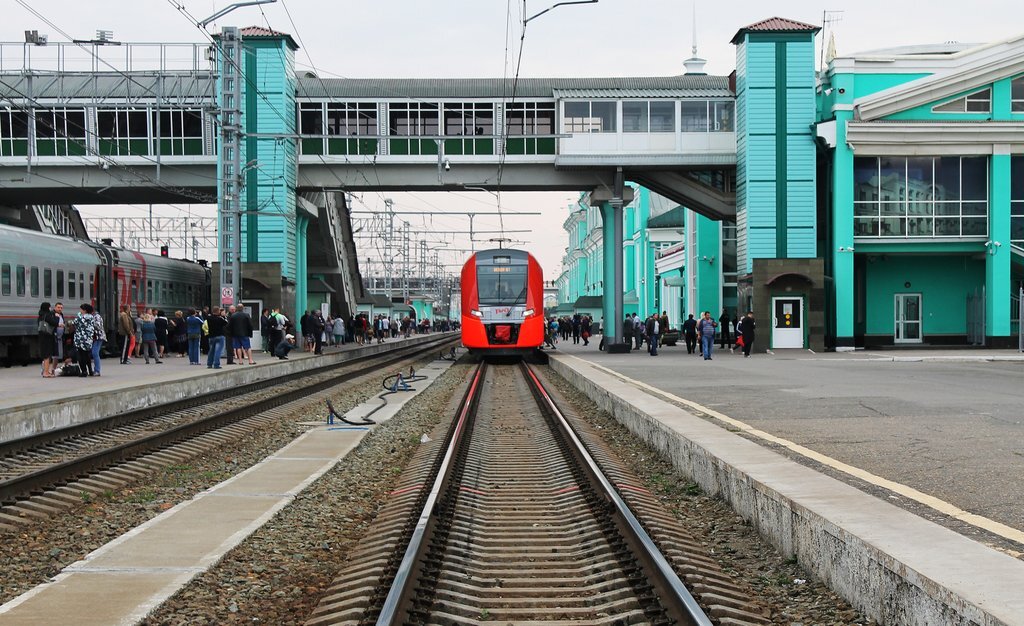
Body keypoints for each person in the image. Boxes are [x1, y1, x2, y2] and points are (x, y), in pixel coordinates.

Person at [74, 304, 97, 377]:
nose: (80, 311)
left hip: (81, 339)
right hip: (88, 339)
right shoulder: (91, 317)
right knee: (87, 355)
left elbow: (74, 322)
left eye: (81, 309)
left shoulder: (81, 317)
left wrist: (78, 315)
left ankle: (84, 371)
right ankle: (90, 371)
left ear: (84, 310)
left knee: (81, 356)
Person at [37, 302, 58, 377]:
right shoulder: (47, 315)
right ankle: (46, 372)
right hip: (47, 336)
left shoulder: (40, 315)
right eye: (49, 307)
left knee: (45, 354)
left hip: (42, 335)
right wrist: (57, 317)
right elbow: (54, 323)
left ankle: (45, 371)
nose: (50, 308)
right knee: (47, 355)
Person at [92, 307, 107, 375]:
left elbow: (98, 326)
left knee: (95, 353)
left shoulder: (97, 317)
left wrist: (89, 323)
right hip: (94, 337)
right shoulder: (93, 316)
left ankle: (97, 370)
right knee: (93, 353)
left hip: (99, 337)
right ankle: (95, 369)